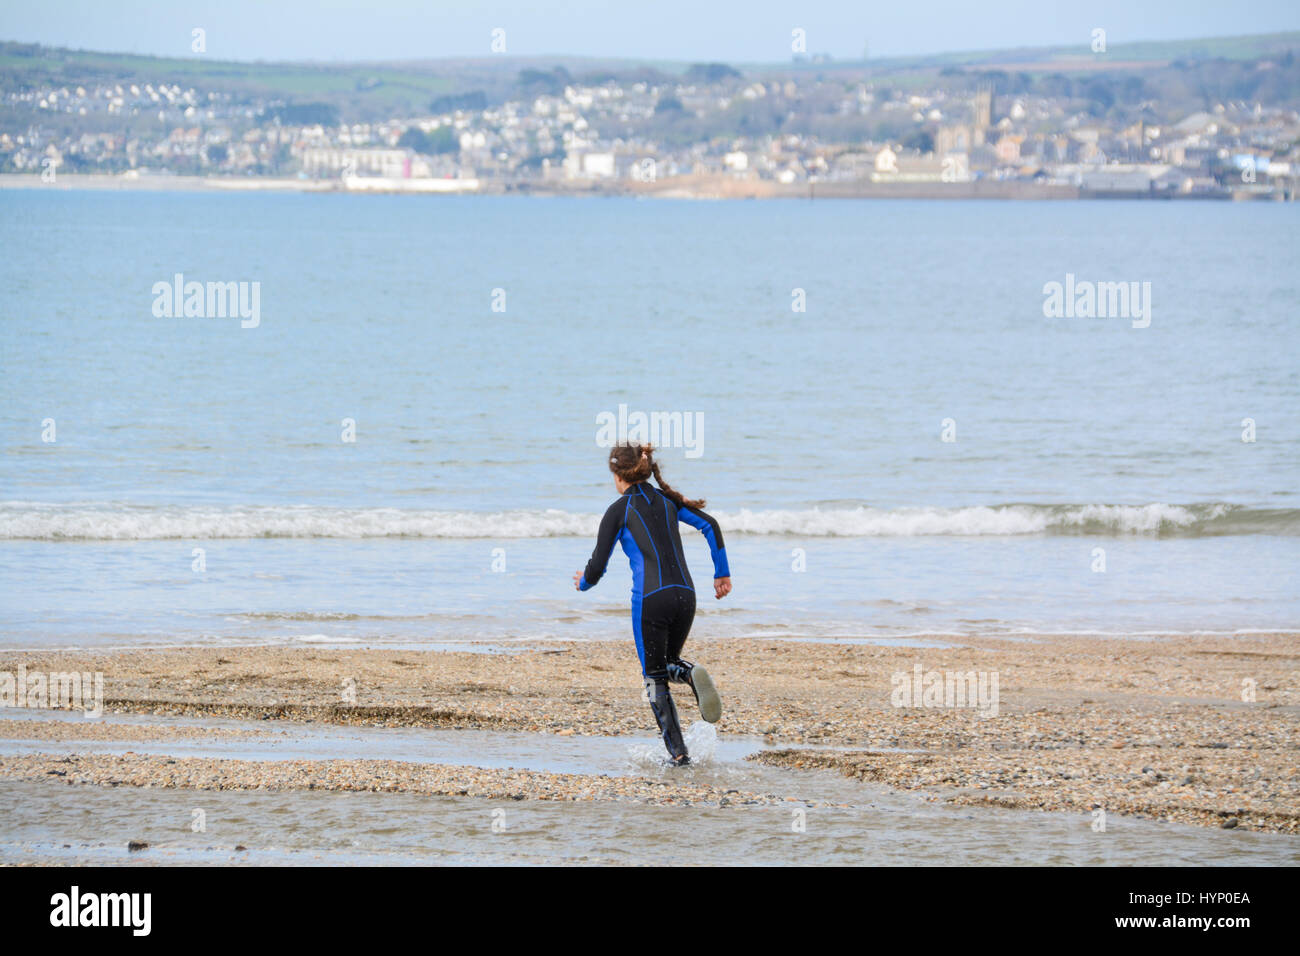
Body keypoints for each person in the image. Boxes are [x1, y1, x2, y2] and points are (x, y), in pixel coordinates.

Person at [573, 442, 732, 765]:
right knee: (668, 662)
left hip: (650, 600)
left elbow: (598, 565)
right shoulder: (668, 501)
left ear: (618, 476)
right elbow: (710, 525)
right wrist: (721, 574)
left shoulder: (618, 510)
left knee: (654, 677)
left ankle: (678, 755)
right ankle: (688, 672)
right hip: (686, 596)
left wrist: (583, 583)